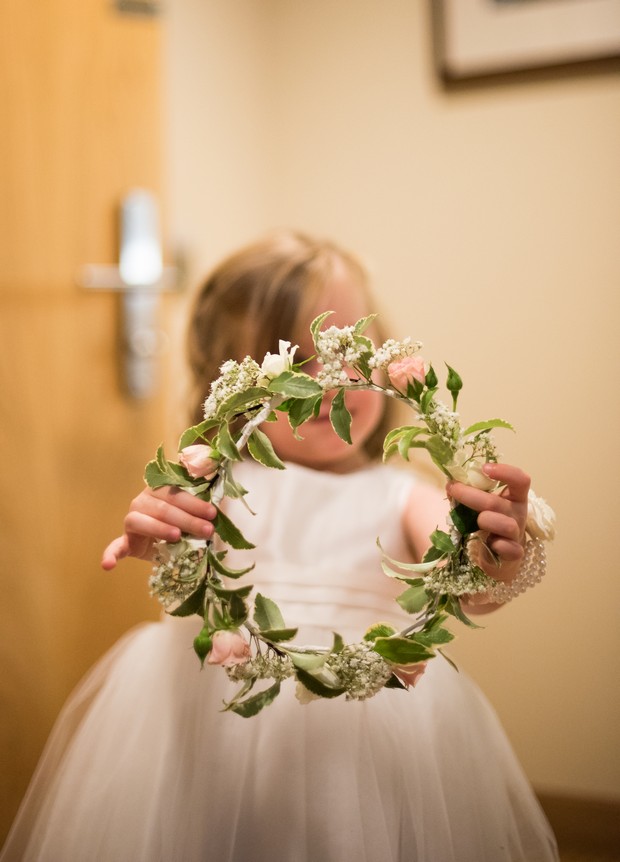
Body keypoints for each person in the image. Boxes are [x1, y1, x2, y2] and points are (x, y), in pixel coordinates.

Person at [1, 230, 558, 861]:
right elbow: (183, 546)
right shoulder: (219, 485)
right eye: (291, 359)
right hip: (206, 724)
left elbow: (471, 582)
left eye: (349, 347)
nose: (328, 379)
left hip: (367, 740)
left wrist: (491, 551)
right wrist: (162, 535)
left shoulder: (400, 492)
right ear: (234, 379)